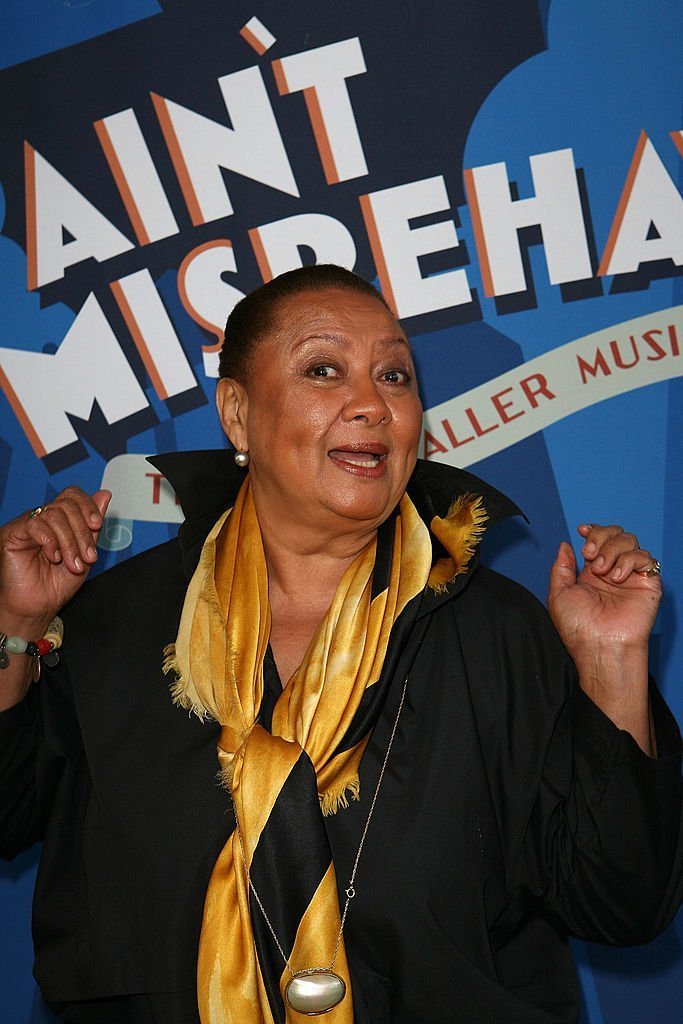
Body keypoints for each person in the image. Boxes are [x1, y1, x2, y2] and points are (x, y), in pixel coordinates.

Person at [0, 264, 680, 1024]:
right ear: (236, 411)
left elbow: (622, 903)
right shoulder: (118, 622)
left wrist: (610, 661)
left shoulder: (498, 632)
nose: (372, 405)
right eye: (324, 370)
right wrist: (16, 629)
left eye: (393, 376)